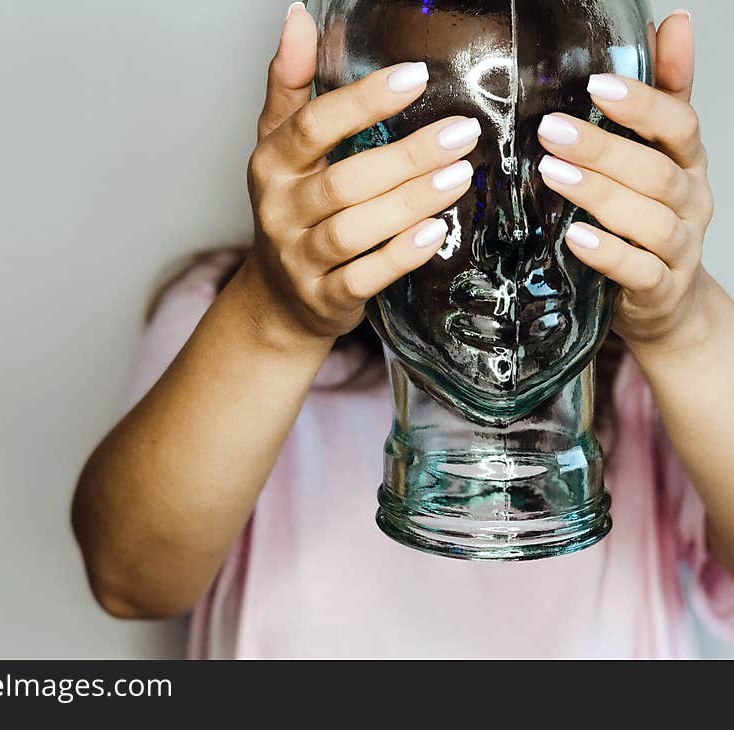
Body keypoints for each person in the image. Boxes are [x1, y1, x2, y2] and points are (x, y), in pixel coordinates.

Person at [72, 5, 734, 658]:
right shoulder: (227, 317)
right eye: (439, 148)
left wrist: (688, 328)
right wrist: (273, 320)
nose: (509, 232)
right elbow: (131, 580)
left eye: (545, 144)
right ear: (341, 146)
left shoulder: (651, 377)